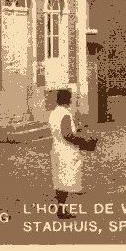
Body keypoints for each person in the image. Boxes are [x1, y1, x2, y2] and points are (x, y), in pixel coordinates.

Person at [49, 89, 93, 219]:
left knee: (59, 180)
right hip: (66, 151)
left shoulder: (54, 113)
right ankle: (61, 209)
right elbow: (67, 134)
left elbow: (61, 131)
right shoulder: (65, 114)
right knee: (65, 180)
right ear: (68, 99)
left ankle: (61, 208)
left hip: (57, 148)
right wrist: (84, 141)